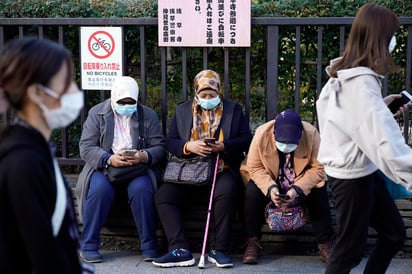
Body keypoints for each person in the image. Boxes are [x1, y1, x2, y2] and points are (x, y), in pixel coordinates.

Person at [316, 3, 412, 274]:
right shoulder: (359, 84)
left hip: (359, 172)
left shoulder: (344, 75)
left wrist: (381, 106)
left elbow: (348, 120)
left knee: (393, 234)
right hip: (352, 179)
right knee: (348, 251)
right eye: (393, 34)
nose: (395, 40)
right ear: (379, 38)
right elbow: (388, 146)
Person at [0, 37, 84, 273]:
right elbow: (42, 253)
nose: (74, 91)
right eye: (67, 83)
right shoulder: (24, 163)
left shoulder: (34, 150)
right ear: (37, 92)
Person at [152, 69, 252, 268]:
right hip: (188, 169)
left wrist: (224, 146)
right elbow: (170, 142)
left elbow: (246, 139)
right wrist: (189, 146)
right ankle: (179, 249)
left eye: (212, 95)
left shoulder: (234, 110)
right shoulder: (182, 111)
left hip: (220, 168)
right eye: (203, 95)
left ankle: (219, 249)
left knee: (228, 192)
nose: (208, 99)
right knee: (163, 196)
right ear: (196, 92)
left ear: (219, 92)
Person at [76, 76, 167, 263]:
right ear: (113, 97)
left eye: (131, 102)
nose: (126, 105)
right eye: (122, 102)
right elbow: (86, 147)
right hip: (105, 167)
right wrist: (108, 158)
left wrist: (143, 156)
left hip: (137, 169)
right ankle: (89, 245)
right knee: (99, 190)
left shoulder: (147, 115)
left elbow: (159, 147)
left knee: (141, 190)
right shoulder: (97, 113)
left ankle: (149, 245)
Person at [240, 109, 335, 265]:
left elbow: (319, 168)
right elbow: (254, 167)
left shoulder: (311, 134)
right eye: (282, 142)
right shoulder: (262, 133)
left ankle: (325, 242)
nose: (286, 146)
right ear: (274, 134)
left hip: (301, 179)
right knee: (252, 190)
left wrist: (296, 189)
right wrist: (271, 188)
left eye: (291, 143)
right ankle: (252, 241)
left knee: (319, 189)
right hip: (270, 179)